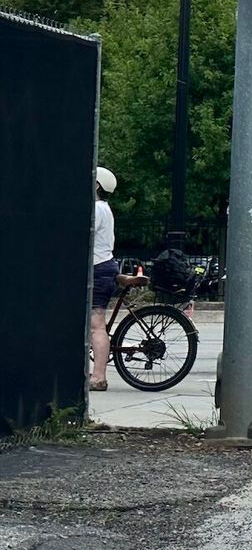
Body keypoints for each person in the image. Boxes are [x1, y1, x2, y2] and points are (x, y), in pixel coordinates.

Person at [89, 166, 144, 391]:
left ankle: (99, 378)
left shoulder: (97, 208)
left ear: (97, 185)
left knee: (96, 325)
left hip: (98, 269)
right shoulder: (104, 208)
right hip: (103, 266)